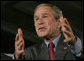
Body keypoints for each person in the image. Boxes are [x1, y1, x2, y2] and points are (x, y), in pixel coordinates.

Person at [14, 3, 82, 60]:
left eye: (45, 16)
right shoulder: (29, 53)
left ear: (59, 22)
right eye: (36, 19)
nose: (39, 22)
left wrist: (74, 44)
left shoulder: (75, 45)